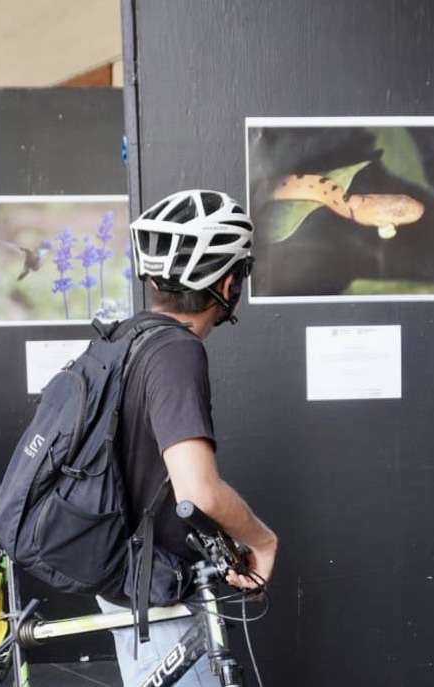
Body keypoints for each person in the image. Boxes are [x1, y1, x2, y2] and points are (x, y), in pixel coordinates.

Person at [96, 189, 278, 685]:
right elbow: (196, 490)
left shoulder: (128, 337)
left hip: (132, 569)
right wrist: (261, 539)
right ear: (227, 281)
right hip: (152, 586)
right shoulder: (177, 352)